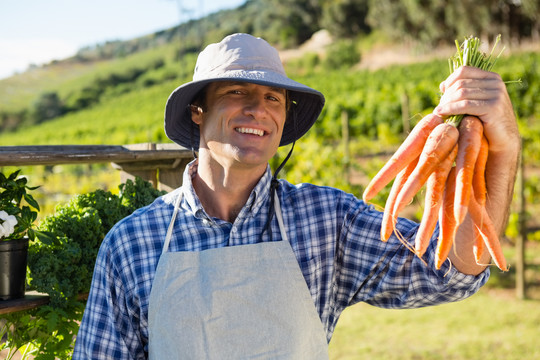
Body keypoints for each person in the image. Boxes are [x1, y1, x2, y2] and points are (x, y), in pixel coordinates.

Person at [73, 33, 520, 359]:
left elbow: (451, 271)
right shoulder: (132, 242)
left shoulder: (327, 221)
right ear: (198, 110)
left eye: (273, 98)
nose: (258, 109)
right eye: (236, 91)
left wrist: (503, 146)